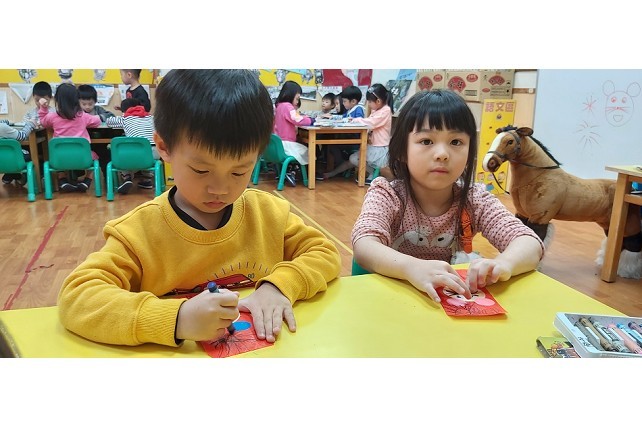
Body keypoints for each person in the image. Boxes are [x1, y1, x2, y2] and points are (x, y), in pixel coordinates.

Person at [57, 69, 341, 347]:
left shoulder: (267, 213)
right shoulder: (138, 233)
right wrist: (176, 319)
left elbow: (323, 252)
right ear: (164, 147)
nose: (220, 188)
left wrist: (278, 286)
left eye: (239, 171)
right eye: (201, 170)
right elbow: (78, 297)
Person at [351, 89, 544, 303]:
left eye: (456, 142)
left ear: (469, 153)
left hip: (443, 304)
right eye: (426, 141)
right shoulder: (388, 194)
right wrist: (411, 267)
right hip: (391, 300)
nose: (442, 154)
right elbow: (364, 245)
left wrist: (504, 264)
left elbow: (529, 242)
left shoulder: (475, 199)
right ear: (402, 151)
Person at [318, 83, 394, 184]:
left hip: (379, 148)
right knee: (352, 159)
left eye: (370, 102)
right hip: (373, 145)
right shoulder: (376, 110)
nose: (368, 104)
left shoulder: (386, 110)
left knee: (353, 159)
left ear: (378, 101)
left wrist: (356, 120)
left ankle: (373, 174)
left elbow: (371, 123)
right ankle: (332, 173)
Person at [38, 83, 102, 192]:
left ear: (57, 100)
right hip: (82, 158)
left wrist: (43, 108)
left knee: (56, 154)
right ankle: (87, 180)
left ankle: (62, 179)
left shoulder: (52, 117)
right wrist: (97, 116)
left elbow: (43, 122)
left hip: (59, 158)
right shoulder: (83, 116)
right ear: (77, 100)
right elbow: (97, 121)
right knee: (95, 157)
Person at [106, 98, 157, 194]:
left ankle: (127, 177)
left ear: (124, 110)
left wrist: (123, 114)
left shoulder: (125, 118)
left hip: (134, 155)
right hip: (153, 154)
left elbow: (109, 121)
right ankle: (147, 180)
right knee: (148, 154)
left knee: (122, 155)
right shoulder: (151, 117)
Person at [273, 81, 315, 186]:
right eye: (297, 98)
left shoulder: (279, 106)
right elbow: (298, 120)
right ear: (290, 95)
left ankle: (290, 171)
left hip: (279, 144)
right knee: (309, 152)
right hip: (287, 144)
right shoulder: (287, 106)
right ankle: (294, 172)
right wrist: (311, 120)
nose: (297, 102)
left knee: (302, 147)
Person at [0, 119, 36, 185]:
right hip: (11, 160)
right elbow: (22, 136)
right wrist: (30, 124)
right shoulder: (2, 127)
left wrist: (7, 122)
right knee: (30, 152)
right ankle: (20, 177)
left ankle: (9, 175)